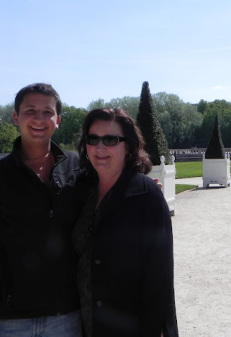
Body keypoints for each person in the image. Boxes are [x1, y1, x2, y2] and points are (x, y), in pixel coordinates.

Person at [0, 83, 90, 337]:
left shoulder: (78, 167)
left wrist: (140, 189)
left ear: (58, 120)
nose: (39, 119)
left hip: (66, 316)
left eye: (47, 112)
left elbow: (106, 204)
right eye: (30, 111)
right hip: (8, 319)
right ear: (16, 117)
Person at [72, 108, 179, 337]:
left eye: (110, 140)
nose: (100, 148)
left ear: (128, 146)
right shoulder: (80, 191)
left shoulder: (146, 195)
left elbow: (159, 276)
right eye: (93, 139)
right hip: (82, 323)